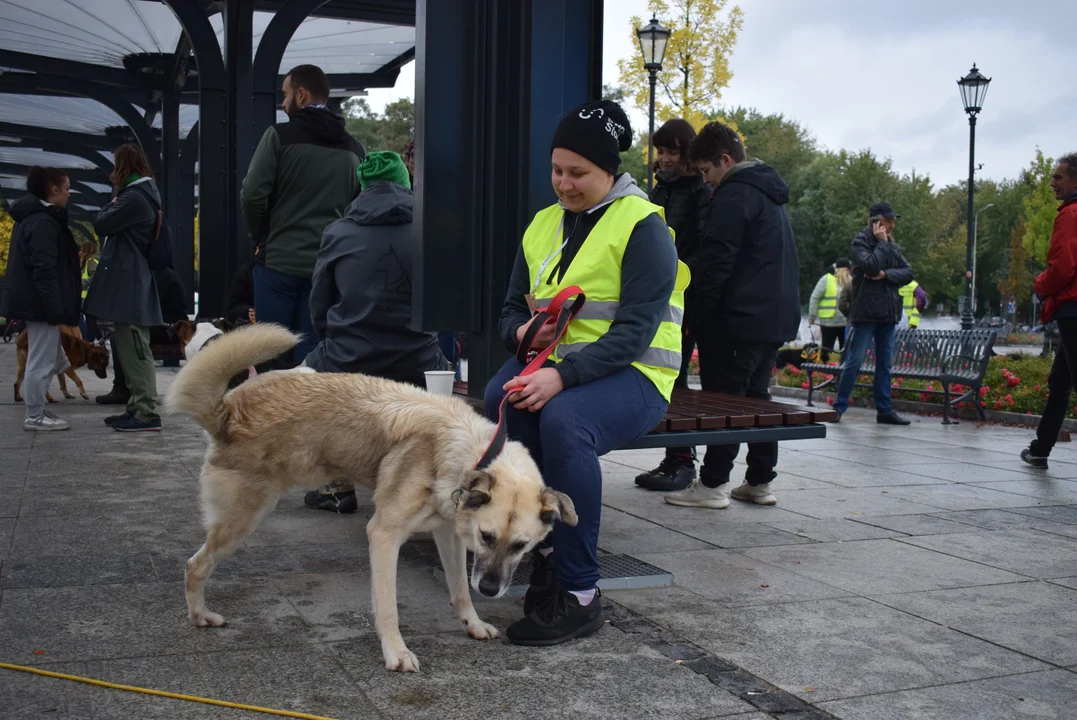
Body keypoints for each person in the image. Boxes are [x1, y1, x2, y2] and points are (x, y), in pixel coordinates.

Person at [484, 99, 686, 646]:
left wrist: (561, 378)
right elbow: (508, 310)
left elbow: (634, 333)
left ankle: (581, 593)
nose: (564, 184)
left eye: (579, 174)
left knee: (564, 422)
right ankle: (548, 551)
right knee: (496, 399)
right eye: (557, 170)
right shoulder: (542, 225)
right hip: (560, 365)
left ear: (610, 172)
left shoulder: (643, 226)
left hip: (636, 375)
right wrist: (522, 336)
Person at [663, 121, 800, 509]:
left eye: (707, 171)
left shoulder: (734, 196)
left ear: (725, 160)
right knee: (757, 400)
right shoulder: (769, 195)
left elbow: (716, 264)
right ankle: (759, 481)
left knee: (724, 402)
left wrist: (696, 314)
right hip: (770, 319)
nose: (706, 181)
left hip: (736, 320)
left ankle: (712, 485)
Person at [302, 151, 450, 512]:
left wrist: (337, 342)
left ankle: (334, 485)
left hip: (350, 358)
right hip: (418, 359)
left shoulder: (338, 232)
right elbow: (448, 303)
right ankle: (420, 479)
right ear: (405, 181)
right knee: (444, 365)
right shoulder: (432, 226)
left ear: (362, 187)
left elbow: (319, 306)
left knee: (307, 374)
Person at [241, 64, 365, 367]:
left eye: (285, 96)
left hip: (277, 264)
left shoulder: (279, 137)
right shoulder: (354, 149)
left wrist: (261, 236)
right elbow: (358, 209)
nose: (283, 104)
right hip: (325, 269)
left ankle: (271, 415)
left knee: (270, 356)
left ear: (301, 94)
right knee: (311, 359)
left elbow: (252, 195)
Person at [634, 118, 713, 492]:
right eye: (660, 152)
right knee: (663, 375)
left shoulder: (699, 192)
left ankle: (682, 460)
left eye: (671, 152)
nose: (664, 159)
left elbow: (699, 250)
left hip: (682, 298)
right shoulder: (657, 191)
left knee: (675, 379)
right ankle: (673, 457)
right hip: (657, 297)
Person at [83, 143, 166, 432]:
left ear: (123, 167)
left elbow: (101, 223)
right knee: (130, 347)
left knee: (135, 347)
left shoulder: (134, 197)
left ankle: (146, 413)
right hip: (132, 281)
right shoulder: (143, 194)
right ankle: (136, 407)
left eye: (115, 165)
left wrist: (115, 193)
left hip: (131, 283)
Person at [0, 166, 80, 431]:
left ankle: (38, 413)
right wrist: (55, 308)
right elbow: (45, 271)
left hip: (35, 303)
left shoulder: (32, 219)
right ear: (54, 190)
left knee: (45, 356)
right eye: (67, 188)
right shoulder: (44, 223)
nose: (70, 194)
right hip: (42, 305)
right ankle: (35, 416)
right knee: (41, 360)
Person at [830, 202, 914, 425]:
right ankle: (838, 407)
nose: (892, 224)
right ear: (876, 222)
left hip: (888, 312)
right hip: (866, 312)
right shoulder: (861, 242)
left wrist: (886, 274)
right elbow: (870, 267)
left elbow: (908, 272)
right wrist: (881, 244)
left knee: (884, 364)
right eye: (888, 220)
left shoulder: (891, 245)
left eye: (893, 220)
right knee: (854, 361)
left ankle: (885, 411)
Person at [1020, 153, 1077, 469]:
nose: (1052, 181)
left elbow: (1063, 267)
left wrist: (1039, 284)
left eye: (1059, 176)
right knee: (1061, 379)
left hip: (1072, 307)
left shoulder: (1070, 214)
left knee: (1068, 379)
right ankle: (1041, 447)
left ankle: (1042, 446)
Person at [808, 258, 851, 362]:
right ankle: (830, 367)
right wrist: (812, 316)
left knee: (841, 348)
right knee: (831, 348)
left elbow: (815, 298)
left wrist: (812, 317)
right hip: (831, 321)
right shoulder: (827, 279)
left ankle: (831, 369)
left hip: (839, 321)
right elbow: (815, 298)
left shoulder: (848, 280)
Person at [78, 242, 100, 341]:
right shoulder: (97, 260)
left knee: (89, 321)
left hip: (87, 296)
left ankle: (90, 340)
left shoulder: (90, 261)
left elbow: (94, 276)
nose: (80, 252)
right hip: (95, 296)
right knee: (92, 321)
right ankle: (99, 339)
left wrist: (82, 284)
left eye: (82, 250)